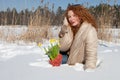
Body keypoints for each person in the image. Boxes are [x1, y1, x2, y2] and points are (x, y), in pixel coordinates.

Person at [59, 4, 98, 70]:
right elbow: (62, 47)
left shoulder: (89, 30)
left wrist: (89, 69)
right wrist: (64, 29)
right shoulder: (70, 28)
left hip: (76, 63)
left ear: (81, 15)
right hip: (68, 59)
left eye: (74, 15)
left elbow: (91, 53)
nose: (71, 19)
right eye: (69, 17)